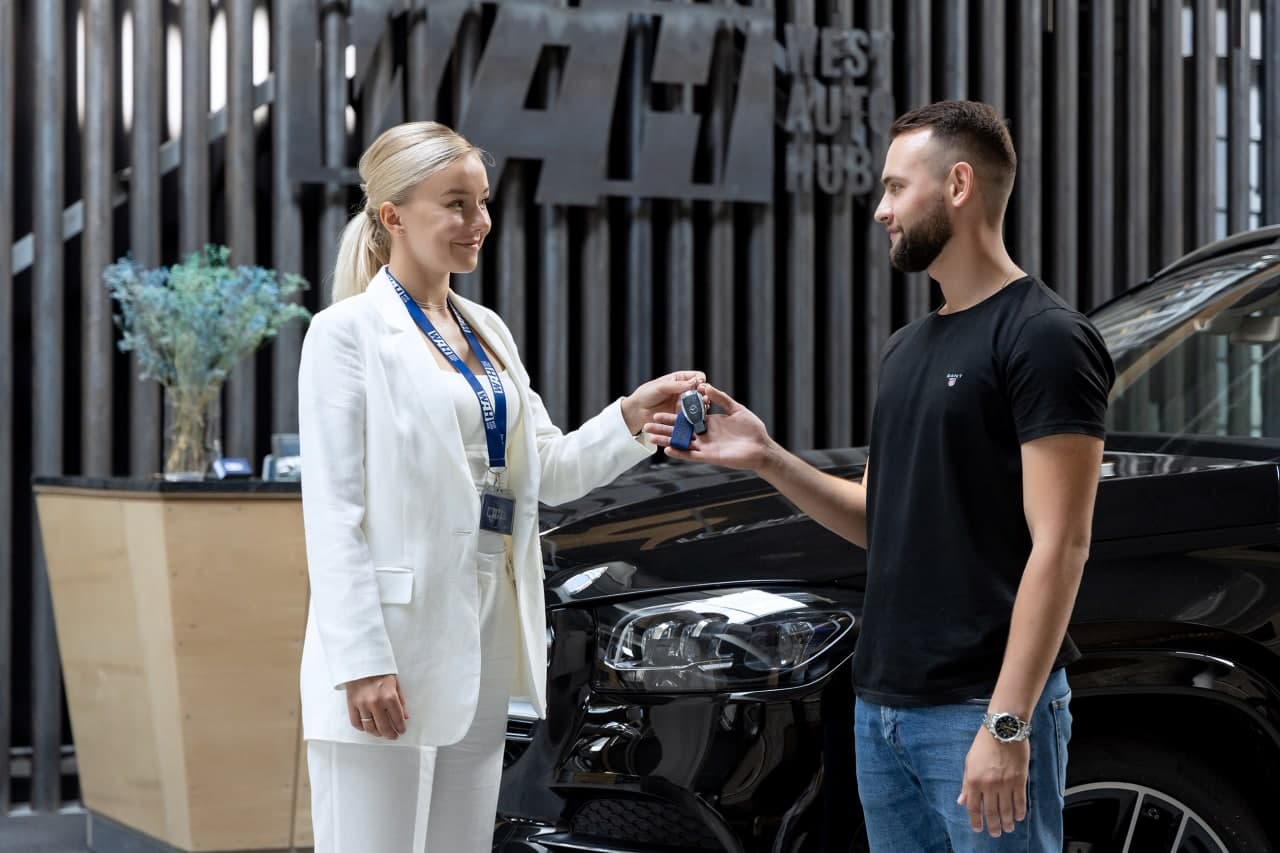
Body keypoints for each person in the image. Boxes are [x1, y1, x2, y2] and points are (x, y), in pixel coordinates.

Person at [645, 100, 1115, 852]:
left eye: (897, 187)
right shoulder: (906, 349)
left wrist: (1007, 722)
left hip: (980, 709)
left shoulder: (1046, 338)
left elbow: (1062, 545)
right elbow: (880, 519)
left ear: (957, 185)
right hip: (884, 712)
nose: (880, 210)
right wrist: (767, 456)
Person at [297, 120, 705, 852]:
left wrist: (630, 418)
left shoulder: (487, 330)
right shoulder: (345, 334)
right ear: (394, 216)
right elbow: (333, 514)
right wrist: (361, 664)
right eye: (457, 204)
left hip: (482, 644)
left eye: (483, 202)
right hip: (389, 652)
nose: (479, 221)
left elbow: (549, 470)